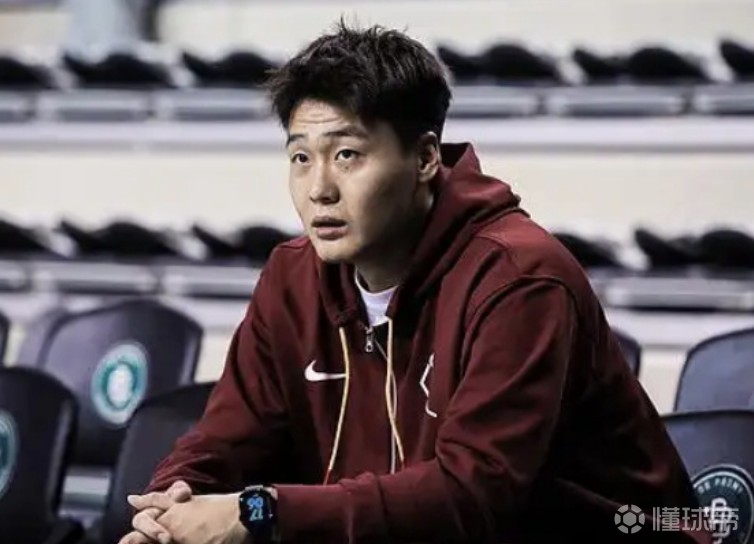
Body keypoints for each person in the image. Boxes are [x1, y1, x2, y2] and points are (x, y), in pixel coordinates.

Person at [121, 22, 710, 544]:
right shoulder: (292, 276)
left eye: (347, 155)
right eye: (301, 158)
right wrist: (170, 506)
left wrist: (262, 511)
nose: (319, 189)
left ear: (426, 158)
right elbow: (227, 435)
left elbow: (472, 494)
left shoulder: (520, 279)